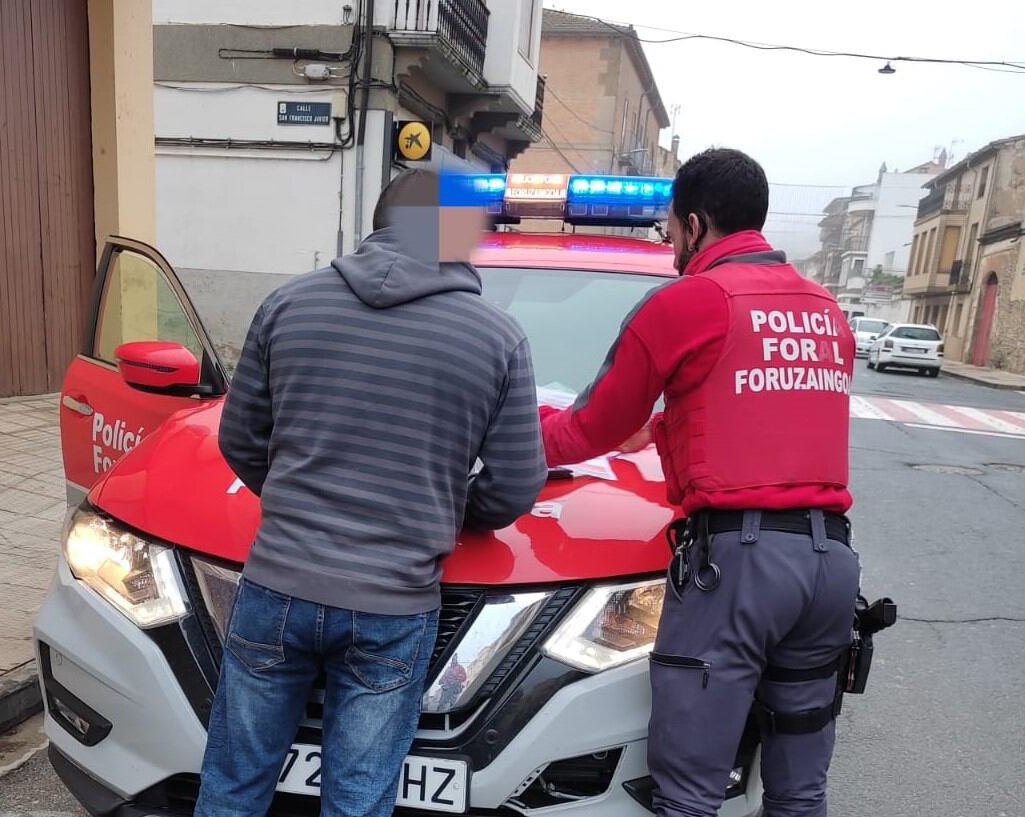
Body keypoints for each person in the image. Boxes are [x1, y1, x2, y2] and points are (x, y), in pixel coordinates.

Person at [197, 169, 546, 817]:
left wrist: (300, 495)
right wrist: (441, 504)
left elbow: (241, 438)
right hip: (391, 605)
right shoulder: (496, 339)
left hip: (276, 587)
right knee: (357, 799)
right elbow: (513, 488)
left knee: (232, 782)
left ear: (381, 221)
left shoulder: (288, 304)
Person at [540, 148, 861, 817]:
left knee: (688, 793)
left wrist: (498, 435)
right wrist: (659, 432)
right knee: (799, 790)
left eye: (667, 230)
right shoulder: (825, 309)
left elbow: (585, 432)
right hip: (828, 564)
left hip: (739, 570)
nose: (666, 244)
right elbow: (758, 411)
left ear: (694, 224)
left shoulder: (689, 300)